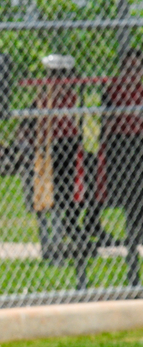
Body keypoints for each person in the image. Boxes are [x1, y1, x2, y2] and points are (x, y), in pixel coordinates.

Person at [32, 54, 87, 263]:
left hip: (67, 146)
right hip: (49, 149)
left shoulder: (70, 96)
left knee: (63, 197)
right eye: (55, 75)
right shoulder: (44, 97)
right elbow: (40, 127)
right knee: (44, 198)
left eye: (63, 75)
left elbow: (73, 122)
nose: (60, 80)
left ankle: (59, 244)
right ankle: (48, 246)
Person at [99, 48, 143, 285]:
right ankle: (133, 268)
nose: (132, 74)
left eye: (137, 69)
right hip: (121, 148)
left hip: (140, 146)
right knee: (131, 207)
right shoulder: (113, 90)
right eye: (128, 68)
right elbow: (106, 124)